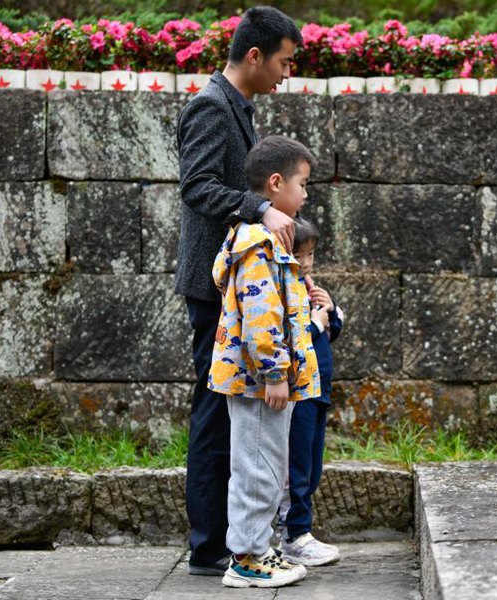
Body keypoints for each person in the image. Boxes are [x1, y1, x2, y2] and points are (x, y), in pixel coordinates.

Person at [174, 6, 301, 577]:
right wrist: (261, 207)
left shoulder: (238, 107)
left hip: (237, 288)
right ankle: (209, 547)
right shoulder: (209, 106)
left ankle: (232, 540)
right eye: (284, 61)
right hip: (215, 284)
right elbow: (197, 187)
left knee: (228, 412)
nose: (287, 73)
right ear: (255, 56)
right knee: (214, 412)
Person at [210, 135, 320, 588]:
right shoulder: (258, 243)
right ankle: (247, 559)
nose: (307, 193)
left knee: (266, 466)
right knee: (257, 468)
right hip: (260, 381)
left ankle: (259, 548)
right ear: (276, 184)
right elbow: (261, 315)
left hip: (266, 382)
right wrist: (275, 372)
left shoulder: (264, 241)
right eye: (303, 183)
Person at [277, 217, 344, 566]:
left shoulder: (308, 287)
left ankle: (299, 531)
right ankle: (293, 533)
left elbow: (332, 330)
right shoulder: (284, 289)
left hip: (319, 390)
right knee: (296, 466)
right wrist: (316, 322)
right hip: (299, 392)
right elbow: (295, 337)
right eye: (298, 255)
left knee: (312, 464)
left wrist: (329, 309)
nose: (305, 263)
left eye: (311, 255)